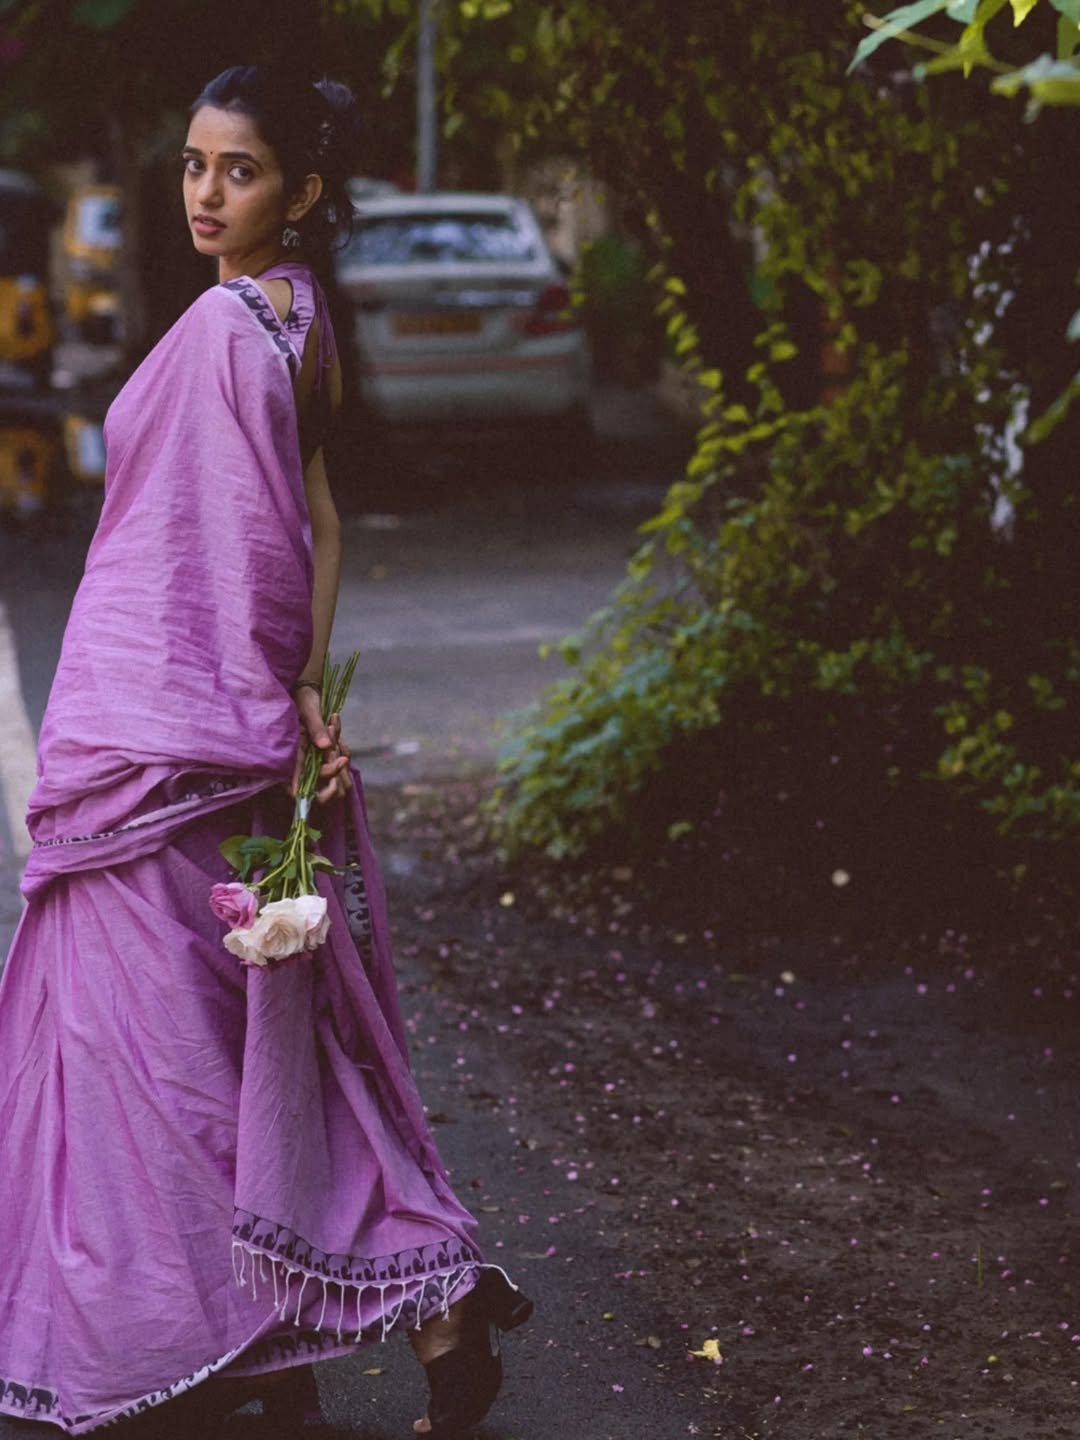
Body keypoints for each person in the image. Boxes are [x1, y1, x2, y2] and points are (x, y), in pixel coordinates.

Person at [0, 65, 530, 1439]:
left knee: (169, 1066)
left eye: (238, 171)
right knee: (255, 1050)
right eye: (191, 164)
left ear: (300, 190)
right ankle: (424, 1310)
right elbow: (319, 520)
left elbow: (255, 538)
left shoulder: (238, 326)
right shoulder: (299, 320)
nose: (204, 192)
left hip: (169, 751)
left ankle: (239, 1339)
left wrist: (258, 701)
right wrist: (299, 688)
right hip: (214, 727)